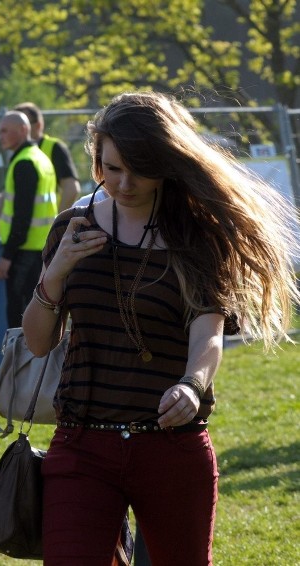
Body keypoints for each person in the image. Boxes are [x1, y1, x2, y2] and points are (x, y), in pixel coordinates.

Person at [21, 91, 300, 565]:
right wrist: (55, 273)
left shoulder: (196, 236)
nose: (124, 183)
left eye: (140, 169)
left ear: (167, 164)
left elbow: (208, 334)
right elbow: (38, 340)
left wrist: (192, 386)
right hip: (82, 444)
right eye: (112, 168)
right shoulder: (72, 228)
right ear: (97, 160)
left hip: (172, 447)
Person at [0, 110, 57, 329]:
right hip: (41, 249)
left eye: (4, 131)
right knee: (37, 313)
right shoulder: (41, 158)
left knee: (19, 318)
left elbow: (22, 215)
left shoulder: (24, 162)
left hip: (23, 253)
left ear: (23, 130)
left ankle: (21, 362)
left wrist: (7, 255)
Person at [13, 102, 81, 209]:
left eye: (24, 124)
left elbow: (71, 189)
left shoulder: (55, 147)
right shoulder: (18, 153)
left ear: (38, 125)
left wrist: (58, 221)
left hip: (46, 223)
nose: (19, 130)